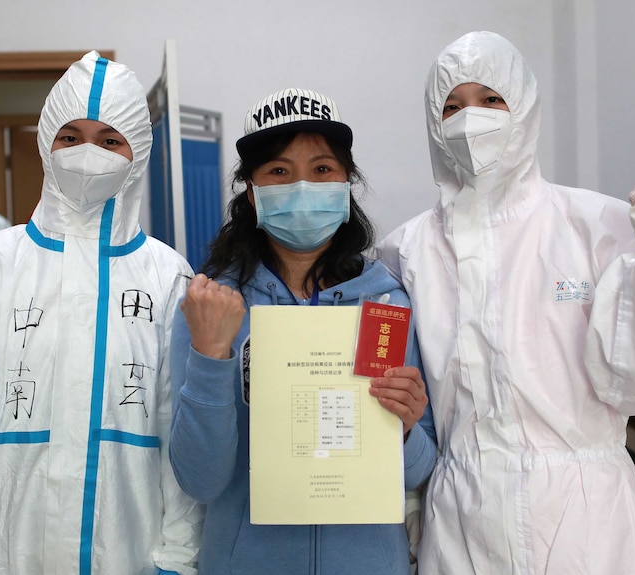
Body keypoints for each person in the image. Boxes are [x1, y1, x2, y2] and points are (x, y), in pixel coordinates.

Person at [376, 31, 635, 575]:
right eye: (452, 106)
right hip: (461, 511)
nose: (471, 120)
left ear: (524, 106)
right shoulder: (408, 248)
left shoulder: (593, 224)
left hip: (584, 512)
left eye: (491, 100)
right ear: (434, 124)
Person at [0, 51, 202, 575]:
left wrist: (179, 552)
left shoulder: (166, 275)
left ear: (137, 152)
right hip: (4, 543)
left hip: (128, 545)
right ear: (46, 141)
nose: (87, 153)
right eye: (70, 136)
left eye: (110, 139)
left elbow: (177, 429)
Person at [168, 87, 437, 575]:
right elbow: (199, 481)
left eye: (321, 170)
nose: (302, 186)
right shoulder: (212, 306)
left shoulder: (387, 302)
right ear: (252, 193)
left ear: (345, 184)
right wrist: (210, 355)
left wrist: (405, 427)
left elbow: (421, 471)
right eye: (278, 172)